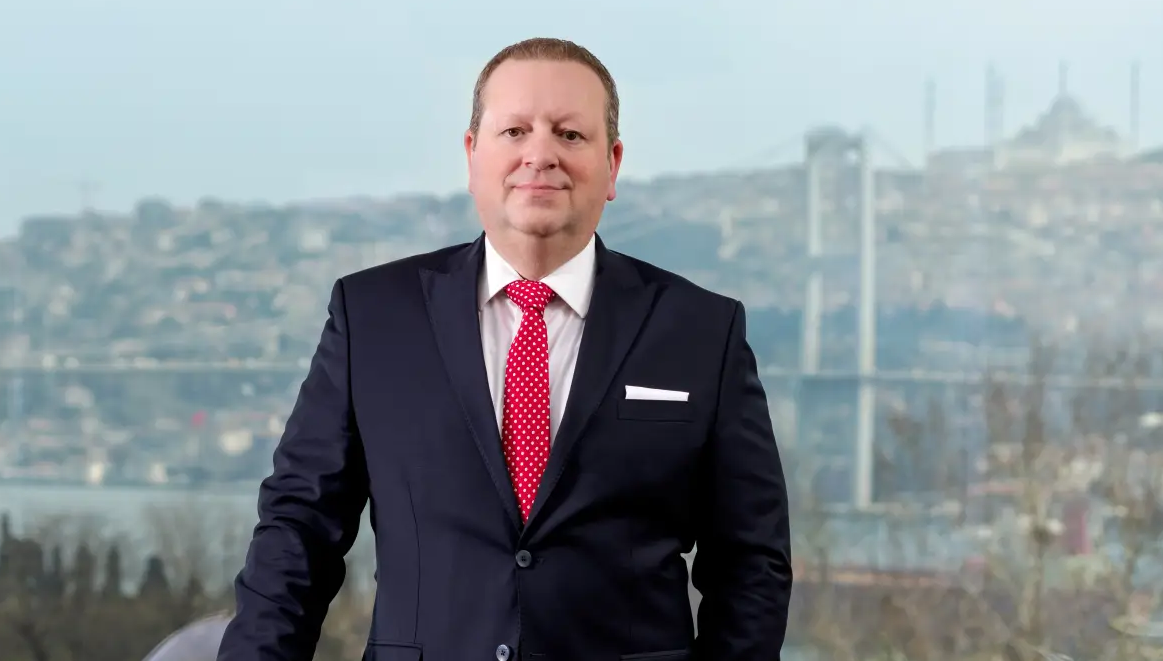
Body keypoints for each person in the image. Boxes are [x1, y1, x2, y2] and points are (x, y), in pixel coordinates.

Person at [217, 38, 792, 661]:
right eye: (514, 130)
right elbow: (298, 533)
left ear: (613, 164)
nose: (539, 154)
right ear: (472, 156)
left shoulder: (701, 330)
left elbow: (750, 563)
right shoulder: (373, 317)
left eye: (570, 135)